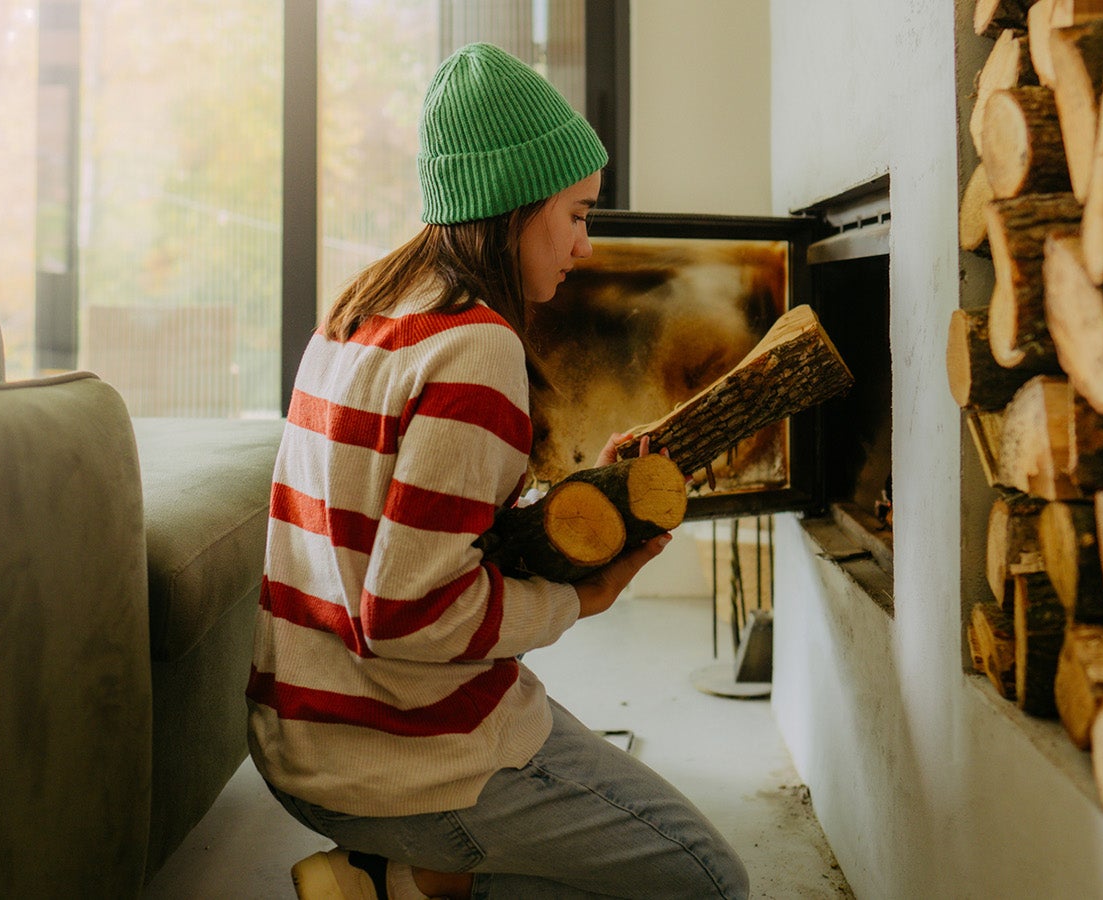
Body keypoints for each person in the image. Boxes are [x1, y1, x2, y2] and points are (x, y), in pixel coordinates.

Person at [246, 42, 750, 900]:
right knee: (711, 883)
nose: (586, 246)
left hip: (300, 725)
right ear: (514, 208)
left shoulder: (365, 309)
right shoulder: (475, 348)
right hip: (394, 753)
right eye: (578, 215)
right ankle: (414, 880)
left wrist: (592, 500)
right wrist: (579, 600)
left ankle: (392, 878)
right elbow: (408, 616)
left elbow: (418, 531)